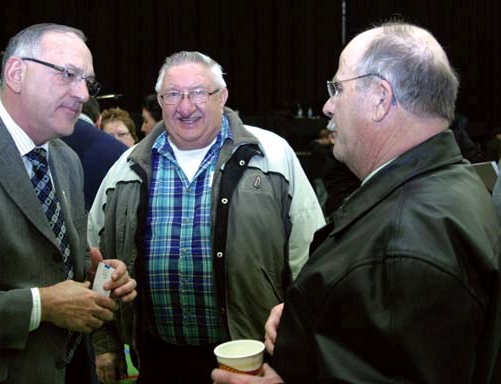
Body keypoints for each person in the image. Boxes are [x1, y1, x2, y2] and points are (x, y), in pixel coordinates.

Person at [212, 21, 501, 384]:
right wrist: (310, 317)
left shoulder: (407, 240)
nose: (327, 106)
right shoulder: (447, 184)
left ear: (380, 98)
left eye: (337, 88)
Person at [88, 51, 325, 384]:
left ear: (222, 96)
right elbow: (99, 263)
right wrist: (105, 343)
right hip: (157, 360)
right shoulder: (125, 169)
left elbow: (311, 256)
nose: (186, 107)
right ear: (160, 100)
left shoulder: (272, 157)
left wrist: (301, 341)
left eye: (199, 92)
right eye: (173, 95)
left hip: (251, 361)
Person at [0, 23, 137, 384]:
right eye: (68, 75)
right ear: (16, 73)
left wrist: (96, 275)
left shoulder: (65, 159)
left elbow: (51, 260)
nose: (83, 93)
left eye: (88, 81)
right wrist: (43, 306)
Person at [61, 98, 128, 210]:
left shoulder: (46, 138)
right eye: (111, 135)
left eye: (122, 134)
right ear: (99, 121)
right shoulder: (119, 152)